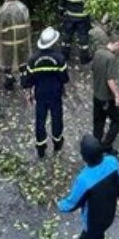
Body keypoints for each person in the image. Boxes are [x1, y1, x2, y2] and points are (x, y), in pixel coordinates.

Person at [21, 27, 70, 158]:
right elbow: (64, 78)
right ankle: (57, 143)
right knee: (57, 119)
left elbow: (27, 81)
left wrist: (29, 93)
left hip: (40, 95)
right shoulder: (59, 58)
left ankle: (41, 148)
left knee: (40, 121)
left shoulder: (33, 60)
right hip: (55, 94)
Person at [90, 26, 119, 155]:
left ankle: (95, 148)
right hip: (106, 98)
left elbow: (93, 69)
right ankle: (106, 146)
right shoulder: (111, 58)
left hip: (96, 96)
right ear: (116, 44)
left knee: (98, 123)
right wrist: (117, 96)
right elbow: (110, 80)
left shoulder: (98, 52)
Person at [0, 0, 31, 91]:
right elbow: (29, 26)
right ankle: (25, 80)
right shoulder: (23, 8)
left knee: (7, 63)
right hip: (22, 40)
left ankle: (9, 82)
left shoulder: (2, 10)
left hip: (7, 43)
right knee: (23, 61)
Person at [60, 0, 92, 64]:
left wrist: (60, 13)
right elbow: (91, 2)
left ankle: (64, 56)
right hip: (83, 17)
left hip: (69, 16)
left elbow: (61, 2)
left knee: (67, 36)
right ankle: (84, 58)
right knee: (83, 37)